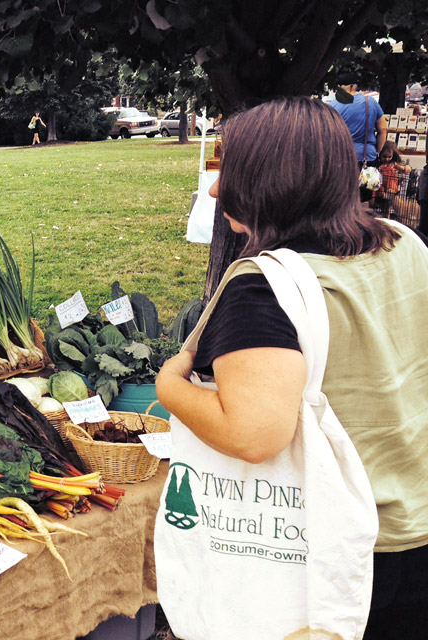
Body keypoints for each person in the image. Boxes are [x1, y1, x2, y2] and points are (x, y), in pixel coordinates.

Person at [156, 97, 428, 639]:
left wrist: (169, 386)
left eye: (226, 172)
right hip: (416, 528)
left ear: (263, 182)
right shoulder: (406, 245)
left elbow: (255, 434)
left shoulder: (263, 287)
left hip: (331, 553)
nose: (214, 190)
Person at [329, 72, 388, 201]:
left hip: (341, 157)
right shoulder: (370, 102)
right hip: (367, 156)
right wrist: (377, 151)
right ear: (354, 86)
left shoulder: (332, 107)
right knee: (364, 197)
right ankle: (361, 218)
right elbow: (383, 129)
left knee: (342, 196)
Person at [374, 140, 418, 223]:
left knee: (390, 209)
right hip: (381, 189)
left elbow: (406, 169)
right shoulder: (378, 165)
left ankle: (387, 222)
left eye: (389, 157)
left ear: (393, 155)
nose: (387, 159)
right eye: (384, 156)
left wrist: (407, 168)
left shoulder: (393, 164)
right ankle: (383, 222)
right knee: (382, 207)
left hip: (392, 189)